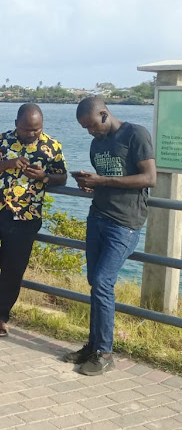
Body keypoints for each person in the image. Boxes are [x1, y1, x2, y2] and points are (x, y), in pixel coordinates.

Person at [64, 97, 156, 376]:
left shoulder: (135, 134)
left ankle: (104, 352)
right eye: (85, 129)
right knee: (95, 281)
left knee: (103, 282)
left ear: (104, 114)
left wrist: (102, 181)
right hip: (98, 217)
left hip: (124, 222)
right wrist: (90, 184)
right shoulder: (97, 144)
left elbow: (149, 178)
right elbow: (108, 178)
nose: (91, 133)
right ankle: (92, 346)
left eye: (92, 126)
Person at [0, 103, 67, 337]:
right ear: (16, 125)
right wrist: (8, 164)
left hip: (26, 215)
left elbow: (62, 177)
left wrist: (45, 176)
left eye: (37, 130)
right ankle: (14, 266)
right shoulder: (1, 141)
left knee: (12, 273)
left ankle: (0, 318)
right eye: (27, 130)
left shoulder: (52, 146)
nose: (32, 134)